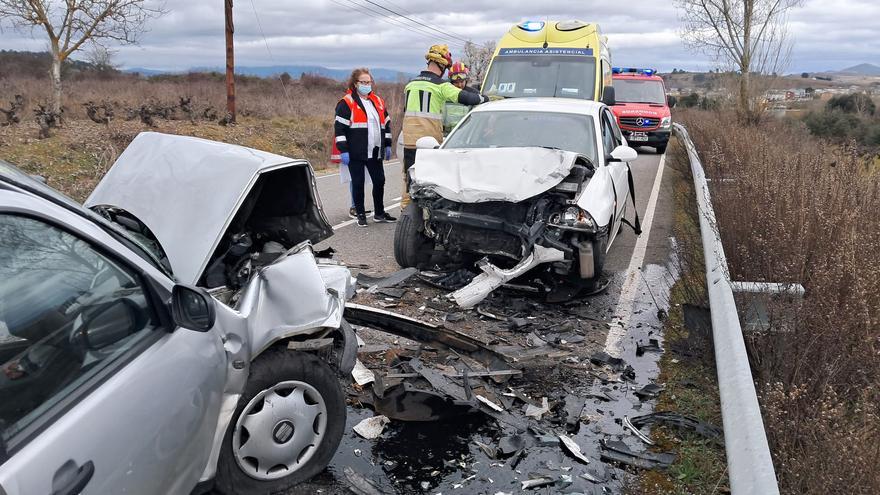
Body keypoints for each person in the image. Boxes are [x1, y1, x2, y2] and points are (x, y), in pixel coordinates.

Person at [400, 45, 487, 207]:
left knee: (409, 177)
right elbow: (467, 98)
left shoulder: (410, 84)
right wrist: (485, 99)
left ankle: (406, 214)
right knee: (432, 179)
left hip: (409, 140)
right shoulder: (441, 86)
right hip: (430, 140)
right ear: (442, 65)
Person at [333, 68, 396, 227]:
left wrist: (387, 145)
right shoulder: (346, 102)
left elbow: (386, 125)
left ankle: (379, 213)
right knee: (358, 183)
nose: (367, 85)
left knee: (379, 181)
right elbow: (339, 129)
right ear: (355, 84)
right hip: (356, 151)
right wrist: (343, 150)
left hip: (375, 150)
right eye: (363, 82)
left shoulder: (378, 102)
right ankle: (360, 214)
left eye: (369, 82)